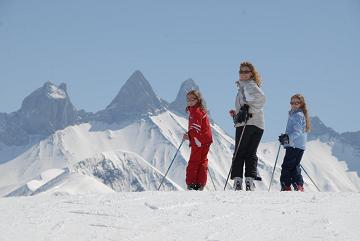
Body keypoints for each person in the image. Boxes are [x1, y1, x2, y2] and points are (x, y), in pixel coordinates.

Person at [229, 61, 266, 191]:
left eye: (246, 72)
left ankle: (238, 181)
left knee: (239, 152)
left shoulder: (248, 85)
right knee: (251, 153)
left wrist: (247, 110)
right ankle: (249, 181)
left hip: (247, 123)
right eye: (241, 71)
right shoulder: (247, 86)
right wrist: (237, 115)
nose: (243, 74)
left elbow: (261, 98)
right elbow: (249, 104)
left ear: (251, 74)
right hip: (258, 124)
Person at [278, 94, 311, 191]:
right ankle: (298, 185)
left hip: (294, 145)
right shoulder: (298, 114)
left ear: (301, 104)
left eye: (297, 103)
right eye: (292, 103)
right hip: (299, 145)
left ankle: (286, 185)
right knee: (294, 166)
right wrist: (286, 138)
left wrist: (287, 138)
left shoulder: (297, 115)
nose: (294, 105)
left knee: (287, 166)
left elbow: (297, 131)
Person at [183, 90, 213, 190]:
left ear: (198, 99)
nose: (190, 101)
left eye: (193, 99)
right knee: (202, 160)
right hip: (206, 139)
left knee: (194, 161)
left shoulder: (195, 111)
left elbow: (195, 128)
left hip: (199, 140)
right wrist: (191, 136)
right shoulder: (200, 110)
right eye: (188, 100)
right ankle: (200, 183)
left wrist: (191, 137)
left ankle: (191, 183)